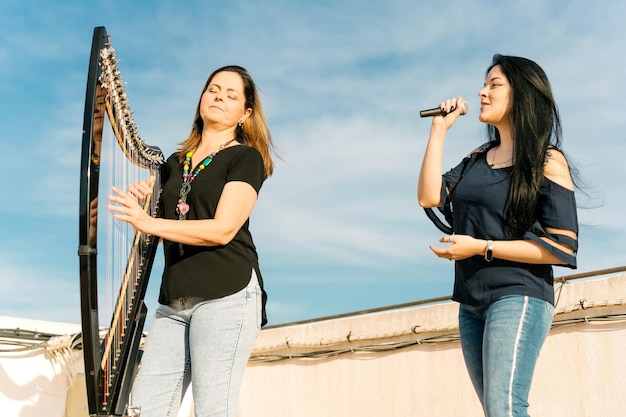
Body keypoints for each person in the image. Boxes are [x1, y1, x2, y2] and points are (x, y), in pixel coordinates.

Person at [108, 65, 275, 417]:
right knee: (143, 409)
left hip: (226, 294)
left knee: (212, 409)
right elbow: (160, 224)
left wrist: (150, 221)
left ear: (245, 114)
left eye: (231, 95)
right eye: (213, 89)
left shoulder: (245, 158)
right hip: (174, 301)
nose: (219, 97)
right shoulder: (174, 163)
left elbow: (223, 229)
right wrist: (143, 204)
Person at [417, 54, 578, 416]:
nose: (482, 92)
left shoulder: (546, 160)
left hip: (518, 295)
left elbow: (562, 245)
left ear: (520, 94)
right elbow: (429, 196)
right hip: (471, 301)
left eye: (494, 85)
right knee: (496, 411)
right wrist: (438, 132)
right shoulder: (477, 159)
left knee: (505, 407)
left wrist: (480, 247)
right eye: (484, 84)